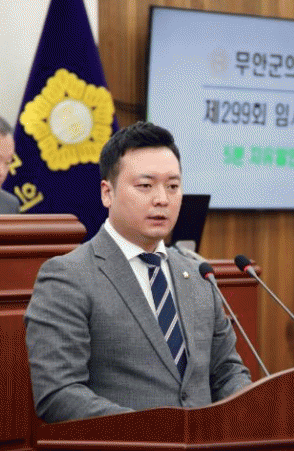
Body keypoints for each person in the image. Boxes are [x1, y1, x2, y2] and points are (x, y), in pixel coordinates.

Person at [24, 121, 251, 423]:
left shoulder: (198, 274)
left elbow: (227, 372)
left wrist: (250, 413)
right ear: (107, 193)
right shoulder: (68, 277)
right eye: (145, 186)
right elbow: (59, 394)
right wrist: (154, 433)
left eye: (173, 186)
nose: (162, 199)